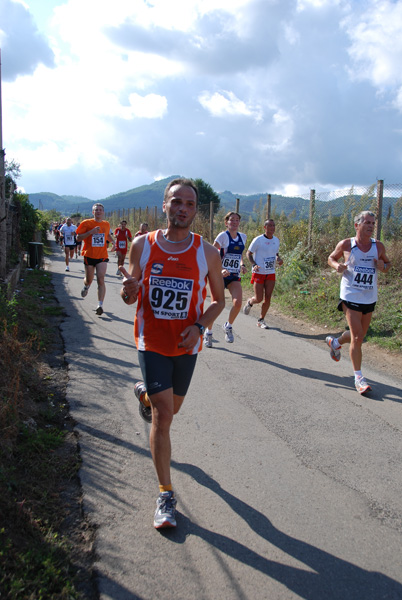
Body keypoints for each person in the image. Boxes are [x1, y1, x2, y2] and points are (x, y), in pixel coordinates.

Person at [120, 178, 224, 529]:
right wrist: (129, 290)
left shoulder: (207, 253)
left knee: (171, 408)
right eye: (176, 201)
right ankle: (165, 494)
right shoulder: (142, 245)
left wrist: (199, 327)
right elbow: (130, 295)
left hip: (186, 345)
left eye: (190, 204)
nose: (182, 208)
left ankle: (144, 394)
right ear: (164, 205)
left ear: (196, 210)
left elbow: (219, 301)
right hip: (151, 342)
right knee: (164, 417)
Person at [326, 210, 391, 395]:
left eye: (373, 223)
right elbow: (331, 258)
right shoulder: (347, 244)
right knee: (357, 338)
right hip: (350, 295)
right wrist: (337, 265)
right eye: (367, 223)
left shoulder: (378, 246)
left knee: (359, 335)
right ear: (357, 225)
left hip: (369, 297)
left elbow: (388, 264)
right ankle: (359, 378)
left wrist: (383, 267)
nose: (371, 226)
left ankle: (336, 342)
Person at [204, 211, 247, 346]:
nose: (234, 222)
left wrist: (242, 265)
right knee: (215, 304)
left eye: (236, 220)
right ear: (226, 222)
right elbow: (212, 252)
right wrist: (220, 268)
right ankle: (208, 332)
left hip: (233, 275)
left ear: (239, 223)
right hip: (219, 275)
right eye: (231, 220)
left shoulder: (243, 237)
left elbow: (239, 255)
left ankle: (228, 326)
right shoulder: (223, 236)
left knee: (238, 302)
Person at [243, 219, 283, 328]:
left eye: (273, 225)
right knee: (259, 298)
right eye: (269, 225)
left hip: (271, 272)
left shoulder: (276, 240)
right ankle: (250, 302)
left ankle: (261, 320)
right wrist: (253, 264)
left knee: (268, 297)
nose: (272, 228)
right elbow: (248, 253)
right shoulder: (258, 240)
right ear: (264, 227)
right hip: (259, 272)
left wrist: (279, 259)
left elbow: (275, 254)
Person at [75, 203, 114, 316]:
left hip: (102, 256)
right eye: (96, 210)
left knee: (101, 279)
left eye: (100, 210)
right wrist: (90, 232)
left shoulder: (106, 224)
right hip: (89, 255)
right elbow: (78, 237)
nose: (98, 212)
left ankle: (100, 305)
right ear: (93, 212)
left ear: (103, 212)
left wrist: (113, 242)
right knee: (89, 279)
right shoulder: (87, 223)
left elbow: (107, 235)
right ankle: (86, 285)